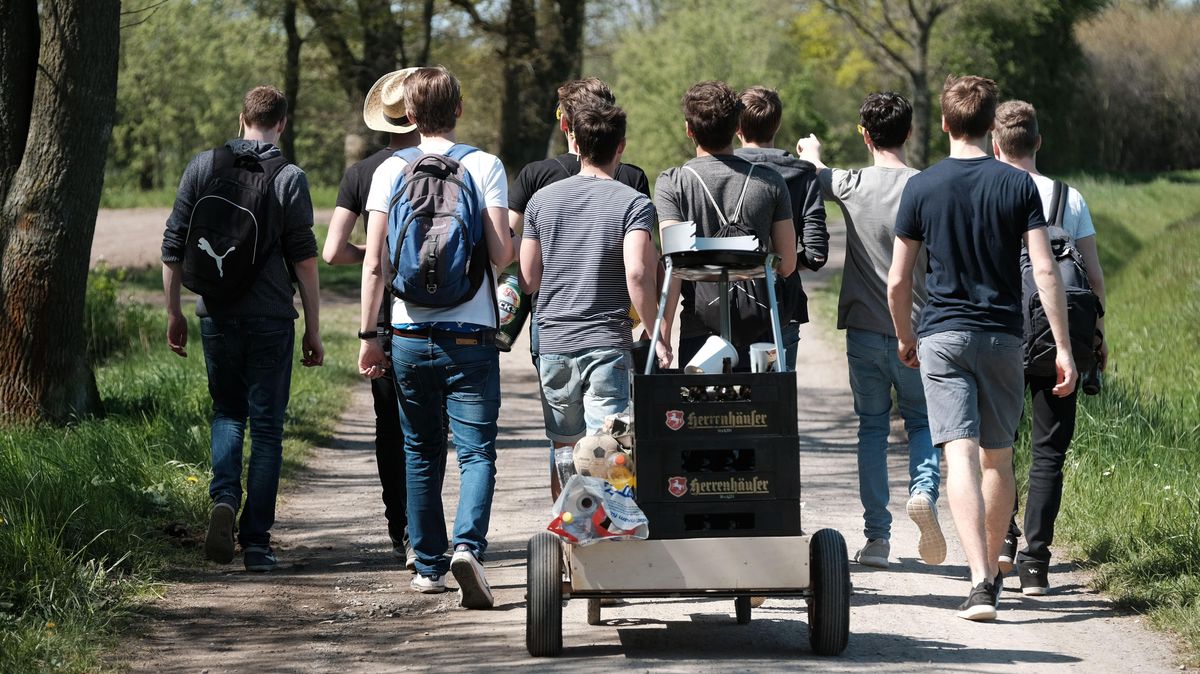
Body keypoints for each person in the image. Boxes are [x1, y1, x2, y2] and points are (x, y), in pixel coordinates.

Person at [887, 75, 1077, 622]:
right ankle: (994, 570)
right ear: (993, 125)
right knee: (999, 456)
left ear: (945, 123)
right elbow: (1044, 269)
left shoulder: (920, 187)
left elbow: (899, 281)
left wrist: (905, 334)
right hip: (1003, 336)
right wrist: (1062, 347)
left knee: (959, 456)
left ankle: (976, 582)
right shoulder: (1020, 186)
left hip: (942, 336)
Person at [358, 66, 514, 609]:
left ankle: (427, 566)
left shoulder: (389, 170)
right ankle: (467, 546)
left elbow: (375, 263)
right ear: (460, 110)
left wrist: (367, 335)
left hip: (407, 330)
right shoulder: (484, 165)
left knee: (419, 452)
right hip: (470, 331)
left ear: (409, 116)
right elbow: (501, 255)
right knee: (476, 453)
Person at [161, 85, 323, 573]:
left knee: (227, 413)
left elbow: (173, 245)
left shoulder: (202, 165)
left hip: (217, 313)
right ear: (283, 124)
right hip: (272, 317)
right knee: (268, 430)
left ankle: (223, 499)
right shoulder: (290, 177)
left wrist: (174, 311)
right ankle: (256, 543)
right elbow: (305, 260)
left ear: (241, 119)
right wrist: (313, 327)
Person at [796, 91, 942, 570]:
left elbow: (816, 172)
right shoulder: (926, 186)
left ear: (865, 134)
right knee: (922, 423)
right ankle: (923, 493)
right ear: (911, 132)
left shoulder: (851, 183)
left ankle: (877, 540)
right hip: (918, 329)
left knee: (873, 429)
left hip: (863, 327)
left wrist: (812, 152)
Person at [507, 77, 652, 498]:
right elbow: (638, 272)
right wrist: (656, 329)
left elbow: (528, 278)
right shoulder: (633, 197)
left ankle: (569, 529)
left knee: (565, 445)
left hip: (553, 338)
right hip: (606, 336)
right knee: (609, 442)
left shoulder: (541, 198)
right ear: (620, 146)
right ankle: (608, 526)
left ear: (571, 135)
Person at [992, 99, 1108, 595]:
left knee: (997, 446)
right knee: (1048, 451)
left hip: (998, 332)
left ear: (996, 146)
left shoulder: (990, 190)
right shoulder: (1069, 198)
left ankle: (1003, 541)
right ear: (1038, 142)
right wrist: (1097, 340)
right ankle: (1035, 565)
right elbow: (1092, 276)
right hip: (1055, 336)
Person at [321, 68, 421, 569]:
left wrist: (372, 254)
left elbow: (332, 250)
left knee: (390, 425)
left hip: (383, 316)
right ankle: (426, 532)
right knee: (428, 426)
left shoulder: (362, 173)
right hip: (435, 312)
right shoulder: (441, 163)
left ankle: (398, 525)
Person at [654, 80, 798, 366]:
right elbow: (787, 264)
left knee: (700, 409)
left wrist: (664, 335)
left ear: (689, 130)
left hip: (699, 329)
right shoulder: (770, 181)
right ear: (737, 128)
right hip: (759, 327)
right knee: (758, 410)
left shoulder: (673, 183)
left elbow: (674, 268)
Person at [734, 86, 828, 369]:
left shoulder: (724, 169)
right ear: (778, 124)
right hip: (783, 303)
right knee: (777, 400)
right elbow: (816, 253)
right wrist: (783, 263)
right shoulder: (802, 175)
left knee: (733, 403)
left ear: (737, 127)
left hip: (731, 302)